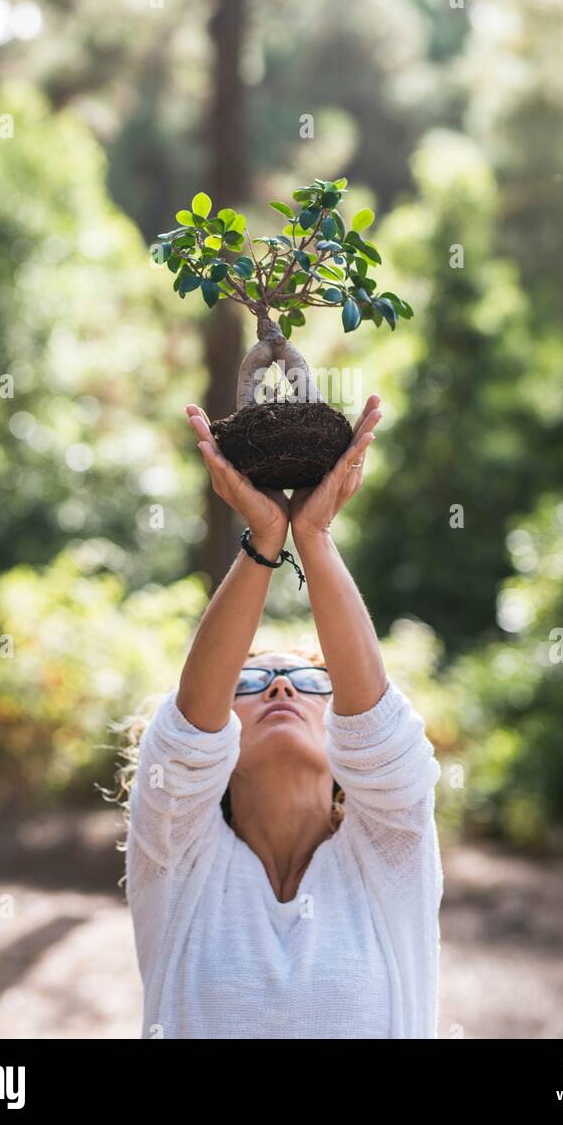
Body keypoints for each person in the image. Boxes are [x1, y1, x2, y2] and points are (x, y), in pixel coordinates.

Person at [123, 394, 443, 1039]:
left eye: (306, 679)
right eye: (250, 679)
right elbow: (185, 743)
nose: (278, 688)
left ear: (342, 737)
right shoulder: (176, 861)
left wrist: (315, 538)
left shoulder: (391, 857)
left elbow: (382, 737)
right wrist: (265, 542)